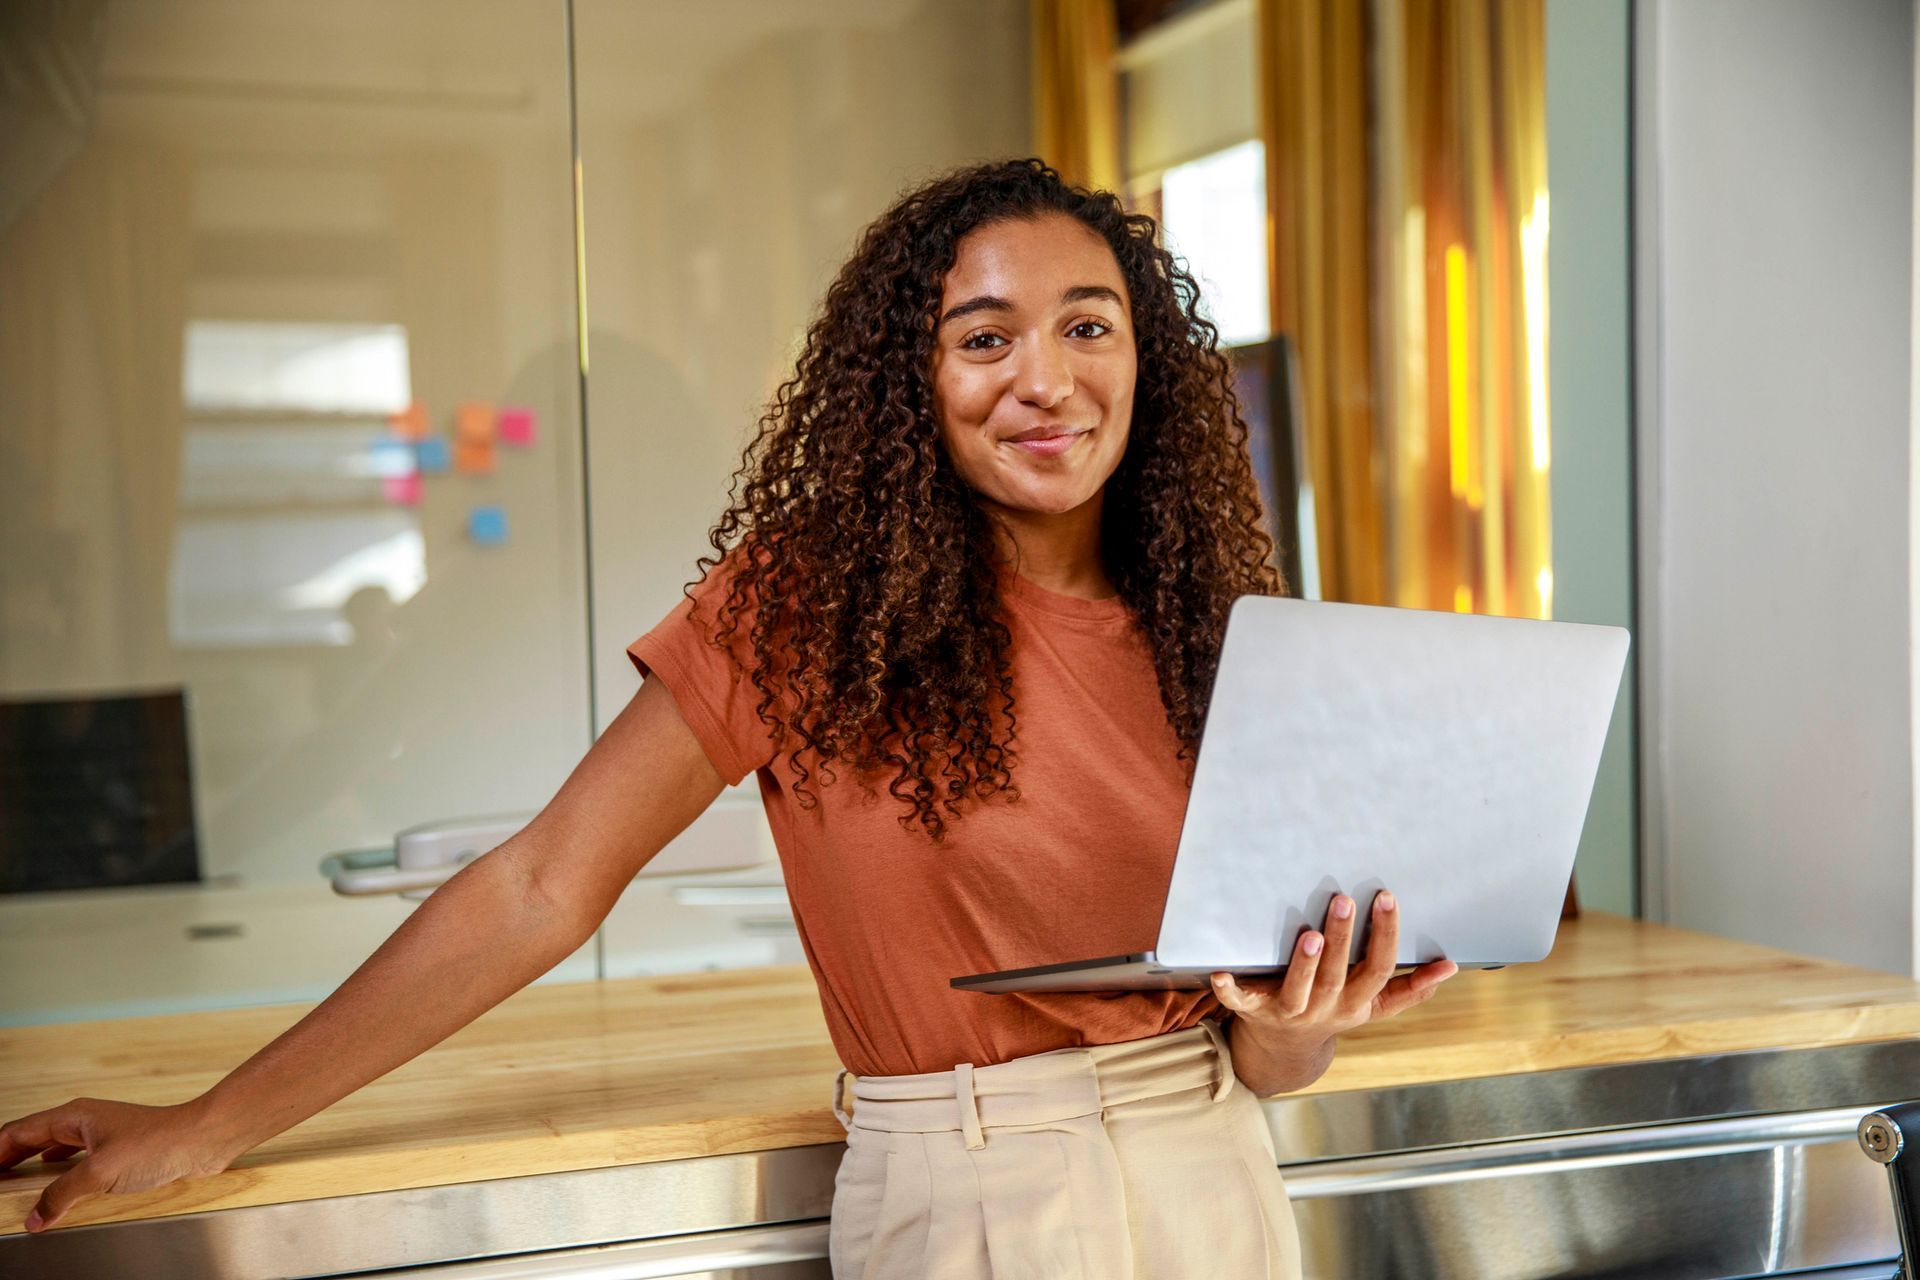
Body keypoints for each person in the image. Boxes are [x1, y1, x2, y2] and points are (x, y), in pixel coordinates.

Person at [1, 158, 1457, 1275]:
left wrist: (1299, 1028)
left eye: (1090, 325)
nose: (1046, 379)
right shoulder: (811, 605)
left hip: (1219, 1176)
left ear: (1144, 360)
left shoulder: (1214, 631)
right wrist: (208, 1122)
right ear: (914, 379)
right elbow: (538, 885)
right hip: (975, 1200)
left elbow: (1256, 1049)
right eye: (983, 338)